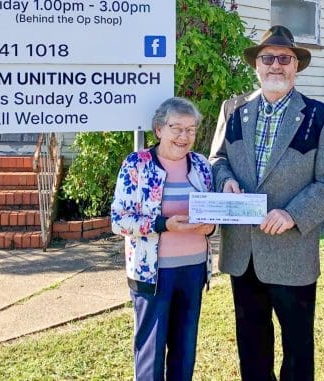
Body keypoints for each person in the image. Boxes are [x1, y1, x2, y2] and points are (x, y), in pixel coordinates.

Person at [209, 25, 324, 380]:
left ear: (296, 66)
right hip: (242, 252)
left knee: (297, 350)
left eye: (284, 58)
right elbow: (217, 159)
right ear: (256, 65)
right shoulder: (233, 110)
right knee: (251, 347)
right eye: (267, 58)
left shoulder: (322, 118)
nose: (275, 65)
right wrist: (224, 180)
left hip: (291, 252)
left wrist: (292, 213)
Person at [111, 97, 215, 381]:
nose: (184, 137)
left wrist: (210, 228)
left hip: (193, 271)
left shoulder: (202, 166)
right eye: (176, 128)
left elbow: (212, 211)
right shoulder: (137, 164)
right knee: (150, 353)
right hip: (152, 273)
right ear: (159, 129)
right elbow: (119, 220)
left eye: (191, 130)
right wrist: (163, 224)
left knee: (184, 350)